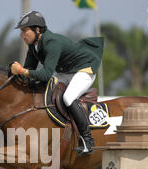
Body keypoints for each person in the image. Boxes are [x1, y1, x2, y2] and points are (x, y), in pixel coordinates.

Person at [10, 11, 104, 155]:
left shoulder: (51, 42)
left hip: (84, 69)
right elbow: (29, 71)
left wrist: (22, 71)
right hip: (65, 73)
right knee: (44, 93)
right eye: (21, 32)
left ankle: (88, 140)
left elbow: (46, 74)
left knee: (68, 98)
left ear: (37, 30)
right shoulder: (33, 46)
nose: (22, 35)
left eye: (24, 31)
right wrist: (14, 74)